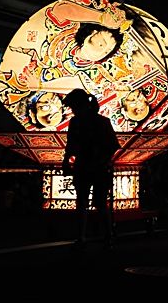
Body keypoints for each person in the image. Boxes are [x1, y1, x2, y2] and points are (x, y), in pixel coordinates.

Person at [62, 88, 120, 249]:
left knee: (84, 202)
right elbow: (112, 146)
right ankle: (106, 235)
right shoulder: (101, 121)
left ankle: (84, 236)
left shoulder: (78, 122)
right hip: (96, 167)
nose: (73, 110)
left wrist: (67, 161)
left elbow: (71, 146)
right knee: (99, 203)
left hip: (87, 166)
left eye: (73, 106)